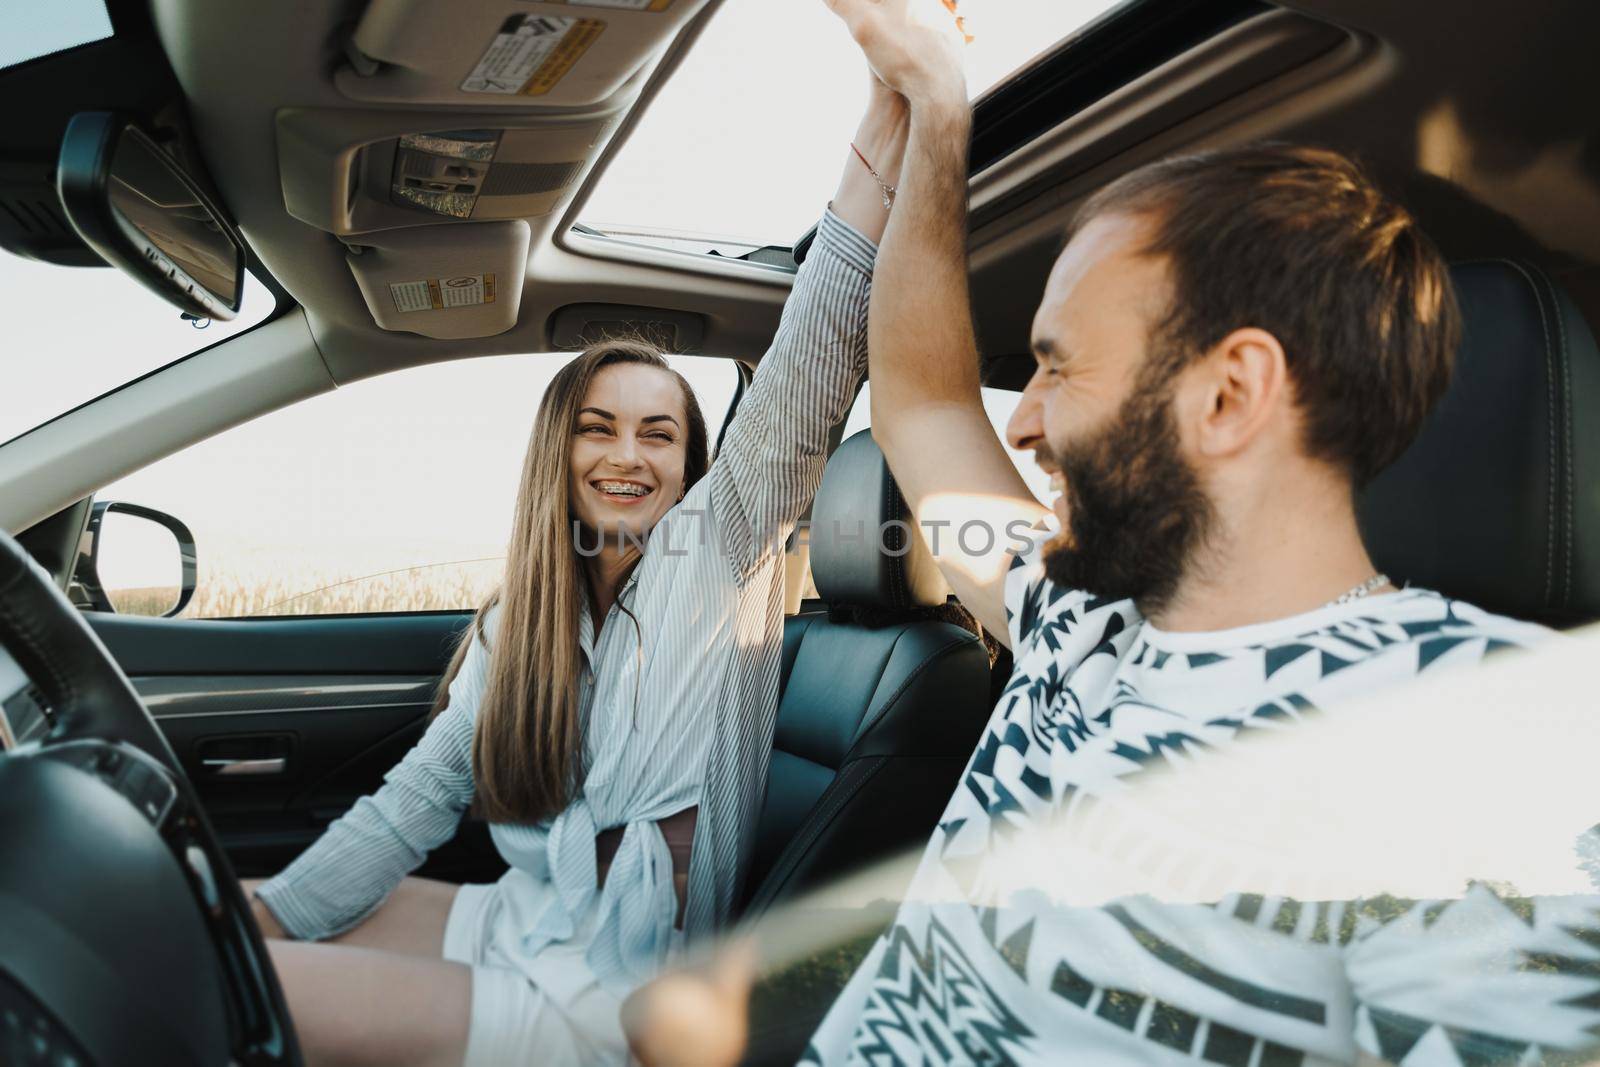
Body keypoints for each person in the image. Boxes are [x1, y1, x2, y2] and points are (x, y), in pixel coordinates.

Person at [624, 1, 1600, 1064]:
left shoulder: (1484, 747)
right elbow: (923, 404)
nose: (1022, 418)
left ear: (1229, 395)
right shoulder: (1070, 620)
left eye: (1058, 365)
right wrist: (937, 106)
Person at [240, 82, 912, 1067]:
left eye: (658, 433)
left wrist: (889, 119)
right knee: (235, 926)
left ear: (691, 467)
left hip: (627, 992)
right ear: (558, 451)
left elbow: (809, 362)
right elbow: (416, 800)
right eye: (597, 428)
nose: (626, 456)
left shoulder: (711, 555)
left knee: (223, 990)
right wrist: (278, 908)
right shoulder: (528, 613)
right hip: (533, 920)